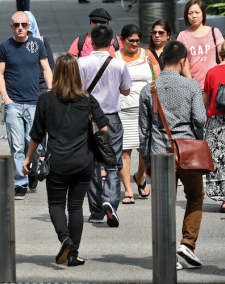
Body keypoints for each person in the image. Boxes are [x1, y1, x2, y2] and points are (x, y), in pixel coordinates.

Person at [24, 53, 109, 267]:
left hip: (58, 161)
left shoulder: (45, 98)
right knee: (76, 207)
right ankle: (74, 255)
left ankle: (65, 238)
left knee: (55, 203)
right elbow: (105, 127)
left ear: (57, 74)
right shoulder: (87, 98)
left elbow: (36, 134)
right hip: (84, 161)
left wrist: (28, 159)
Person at [139, 41, 207, 269]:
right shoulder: (191, 86)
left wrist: (147, 162)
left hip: (159, 154)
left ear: (161, 60)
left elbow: (144, 131)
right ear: (183, 61)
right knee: (196, 196)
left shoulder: (149, 89)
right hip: (187, 153)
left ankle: (169, 258)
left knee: (164, 205)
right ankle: (187, 242)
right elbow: (199, 120)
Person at [78, 24, 131, 227]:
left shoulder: (81, 62)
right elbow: (126, 91)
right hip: (112, 119)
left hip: (87, 118)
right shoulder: (119, 64)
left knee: (91, 164)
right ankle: (110, 201)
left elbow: (77, 90)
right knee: (113, 163)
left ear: (90, 41)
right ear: (112, 43)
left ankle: (95, 211)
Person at [0, 11, 53, 199]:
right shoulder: (5, 47)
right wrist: (6, 98)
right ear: (11, 26)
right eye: (16, 25)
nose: (20, 28)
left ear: (29, 26)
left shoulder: (37, 45)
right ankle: (20, 183)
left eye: (24, 25)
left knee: (34, 145)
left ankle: (33, 170)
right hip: (13, 103)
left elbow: (46, 69)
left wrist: (51, 92)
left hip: (35, 102)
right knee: (17, 146)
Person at [115, 24, 155, 204]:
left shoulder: (147, 54)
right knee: (125, 151)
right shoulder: (114, 58)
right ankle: (128, 190)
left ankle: (139, 176)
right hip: (123, 108)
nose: (135, 44)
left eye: (138, 40)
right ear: (121, 40)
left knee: (144, 150)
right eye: (131, 40)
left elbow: (157, 79)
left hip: (145, 108)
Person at [177, 0, 224, 90]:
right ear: (186, 16)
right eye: (190, 13)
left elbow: (223, 58)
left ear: (203, 13)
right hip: (192, 87)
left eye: (197, 12)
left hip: (214, 86)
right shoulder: (182, 36)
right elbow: (180, 62)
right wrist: (190, 82)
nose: (194, 16)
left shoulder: (214, 32)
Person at [203, 45, 225, 212]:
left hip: (216, 121)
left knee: (218, 161)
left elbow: (206, 101)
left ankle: (223, 198)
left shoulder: (212, 72)